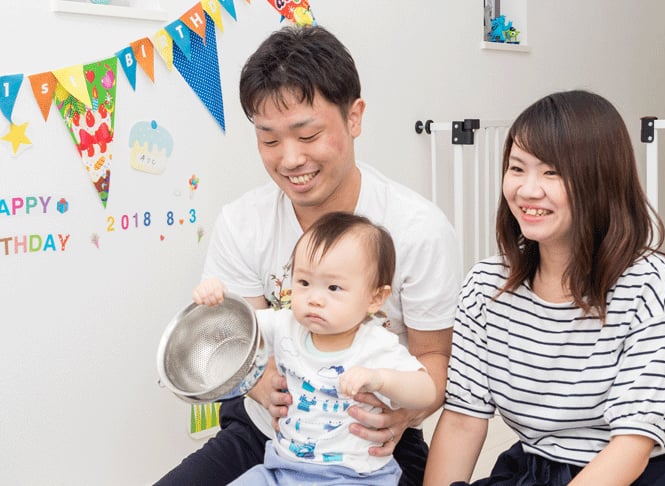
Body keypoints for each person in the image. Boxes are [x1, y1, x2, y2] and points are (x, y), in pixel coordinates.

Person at [155, 25, 461, 486]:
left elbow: (434, 357)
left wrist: (402, 416)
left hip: (372, 443)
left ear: (354, 117)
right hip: (266, 434)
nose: (290, 159)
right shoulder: (243, 222)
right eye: (269, 140)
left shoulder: (418, 230)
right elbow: (240, 338)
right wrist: (258, 383)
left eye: (308, 134)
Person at [423, 90, 665, 486]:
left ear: (601, 179)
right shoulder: (486, 286)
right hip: (534, 469)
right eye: (517, 168)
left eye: (552, 172)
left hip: (639, 475)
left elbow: (631, 447)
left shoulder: (652, 283)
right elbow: (462, 421)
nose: (527, 190)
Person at [193, 211, 437, 485]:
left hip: (353, 477)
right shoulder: (285, 325)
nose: (315, 299)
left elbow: (427, 391)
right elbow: (235, 328)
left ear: (375, 298)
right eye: (304, 283)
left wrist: (381, 379)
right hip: (282, 469)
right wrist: (217, 300)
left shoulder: (376, 345)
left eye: (333, 287)